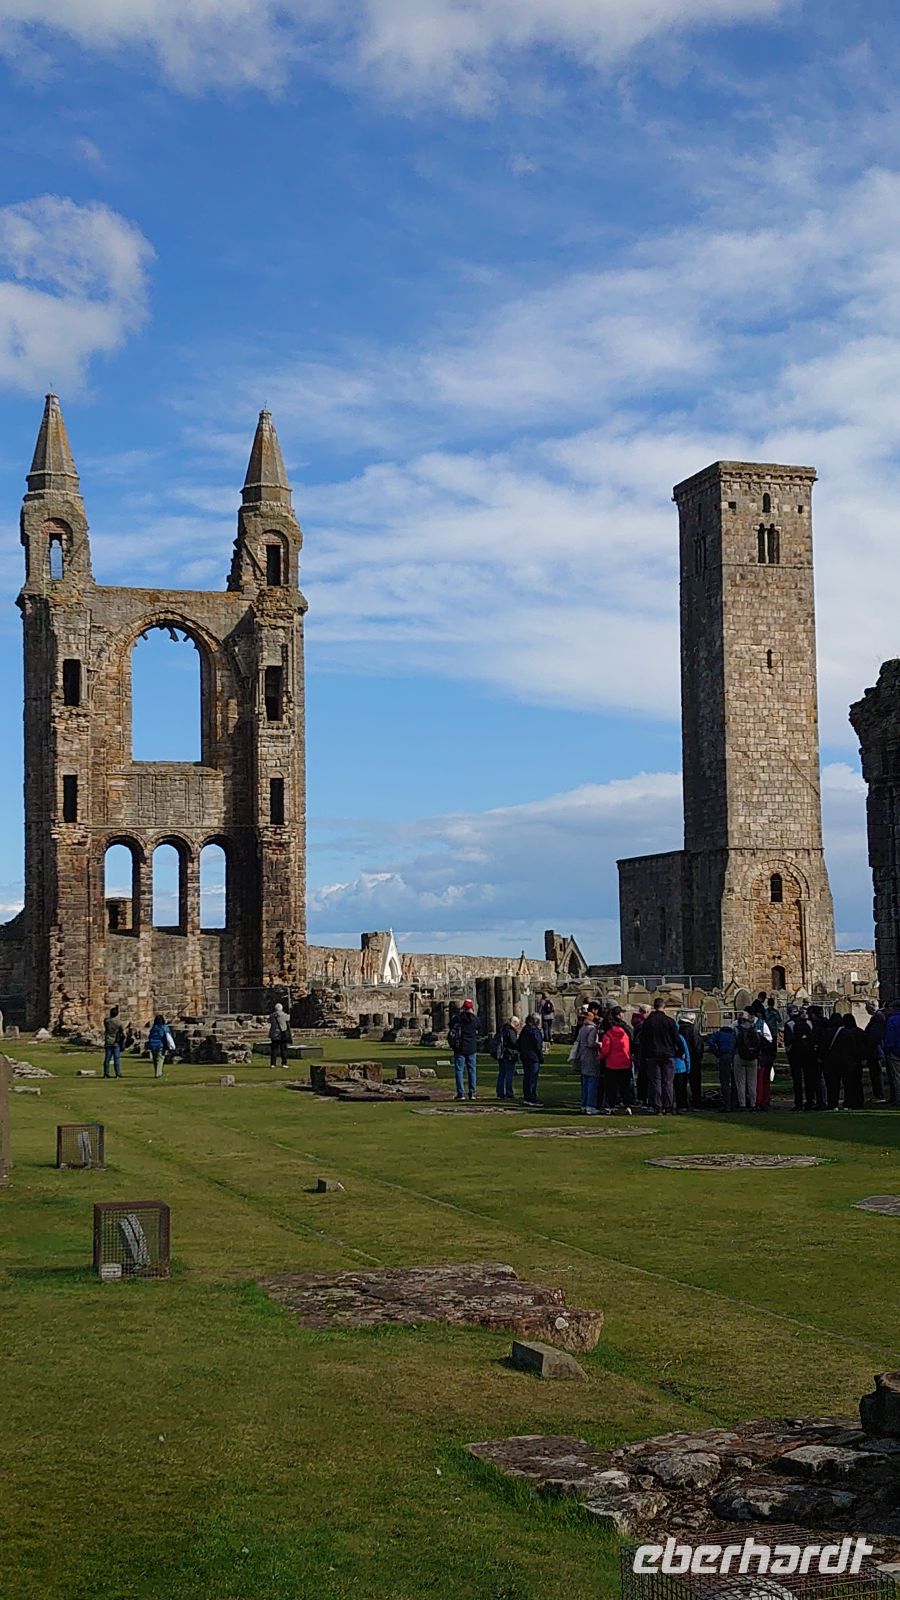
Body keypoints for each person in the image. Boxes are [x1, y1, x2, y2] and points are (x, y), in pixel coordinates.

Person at [640, 998, 680, 1115]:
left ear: (654, 1006)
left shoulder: (648, 1022)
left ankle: (657, 1106)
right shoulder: (670, 1021)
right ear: (664, 1007)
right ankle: (667, 1106)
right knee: (668, 1081)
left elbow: (644, 1040)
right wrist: (681, 1050)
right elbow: (676, 1038)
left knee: (655, 1081)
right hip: (668, 1053)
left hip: (653, 1054)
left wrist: (643, 1055)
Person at [598, 1009, 633, 1114]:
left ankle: (612, 1106)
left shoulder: (608, 1035)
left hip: (612, 1064)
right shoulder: (625, 1034)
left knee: (612, 1087)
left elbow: (605, 1050)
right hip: (625, 1063)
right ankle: (627, 1106)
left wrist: (599, 1056)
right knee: (625, 1086)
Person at [572, 1005, 601, 1114]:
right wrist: (599, 1045)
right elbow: (590, 1043)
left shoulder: (582, 1029)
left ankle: (584, 1105)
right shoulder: (592, 1029)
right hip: (591, 1057)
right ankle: (590, 1105)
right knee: (592, 1082)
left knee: (585, 1082)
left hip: (582, 1056)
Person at [449, 997, 479, 1101]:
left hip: (460, 1047)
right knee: (472, 1070)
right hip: (471, 1047)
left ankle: (460, 1093)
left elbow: (451, 1026)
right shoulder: (475, 1019)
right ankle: (472, 1093)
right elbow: (479, 1028)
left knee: (459, 1070)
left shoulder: (458, 1018)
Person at [705, 1020, 737, 1110]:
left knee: (725, 1081)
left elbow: (710, 1042)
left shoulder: (718, 1034)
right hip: (735, 1057)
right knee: (735, 1081)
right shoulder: (734, 1034)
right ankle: (735, 1103)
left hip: (724, 1057)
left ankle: (727, 1104)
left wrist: (716, 1053)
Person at [732, 1011, 761, 1110]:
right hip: (753, 1058)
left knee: (740, 1082)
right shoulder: (755, 1029)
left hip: (739, 1056)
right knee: (752, 1082)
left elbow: (733, 1044)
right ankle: (753, 1104)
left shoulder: (737, 1030)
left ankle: (742, 1104)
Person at [677, 1011, 703, 1109]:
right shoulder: (693, 1030)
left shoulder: (677, 1029)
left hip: (680, 1058)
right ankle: (696, 1103)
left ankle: (682, 1103)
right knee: (695, 1083)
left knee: (681, 1083)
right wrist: (699, 1058)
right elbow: (697, 1046)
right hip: (693, 1059)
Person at [518, 1014, 544, 1106]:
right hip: (533, 1057)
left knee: (527, 1077)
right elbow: (538, 1045)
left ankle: (527, 1097)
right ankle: (532, 1098)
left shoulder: (524, 1030)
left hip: (525, 1056)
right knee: (532, 1078)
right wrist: (540, 1056)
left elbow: (519, 1043)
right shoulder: (534, 1031)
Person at [863, 1002, 887, 1102]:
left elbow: (875, 1035)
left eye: (867, 1007)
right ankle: (878, 1094)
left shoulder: (878, 1018)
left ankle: (880, 1095)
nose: (866, 1009)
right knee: (875, 1073)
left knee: (876, 1073)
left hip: (876, 1050)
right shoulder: (877, 1017)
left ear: (871, 1007)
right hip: (875, 1049)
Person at [496, 1015, 520, 1101]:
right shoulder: (510, 1031)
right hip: (509, 1055)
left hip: (502, 1054)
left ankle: (500, 1092)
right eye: (517, 1024)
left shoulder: (503, 1029)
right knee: (509, 1074)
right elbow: (514, 1043)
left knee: (502, 1074)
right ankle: (509, 1093)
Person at [147, 1013, 175, 1079]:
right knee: (160, 1059)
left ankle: (157, 1072)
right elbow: (168, 1036)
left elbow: (150, 1036)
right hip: (160, 1045)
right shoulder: (164, 1027)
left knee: (155, 1060)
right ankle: (158, 1073)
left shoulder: (153, 1028)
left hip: (152, 1045)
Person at [883, 1001, 900, 1106]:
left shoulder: (892, 1020)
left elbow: (889, 1037)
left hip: (896, 1052)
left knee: (897, 1077)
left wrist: (888, 1050)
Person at [672, 1025, 691, 1112]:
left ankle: (670, 1104)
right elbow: (686, 1053)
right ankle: (682, 1105)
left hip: (669, 1067)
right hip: (681, 1067)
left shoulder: (667, 1038)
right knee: (681, 1089)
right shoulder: (680, 1038)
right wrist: (688, 1067)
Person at [102, 1005, 123, 1079]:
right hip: (115, 1041)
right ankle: (117, 1074)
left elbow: (107, 1020)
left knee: (107, 1059)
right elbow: (121, 1030)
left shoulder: (106, 1021)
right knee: (116, 1059)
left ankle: (106, 1073)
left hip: (108, 1041)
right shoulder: (118, 1022)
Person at [269, 1002, 291, 1068]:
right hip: (282, 1034)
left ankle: (273, 1064)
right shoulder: (284, 1015)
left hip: (274, 1034)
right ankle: (284, 1063)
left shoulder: (271, 1016)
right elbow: (287, 1023)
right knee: (283, 1049)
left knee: (274, 1050)